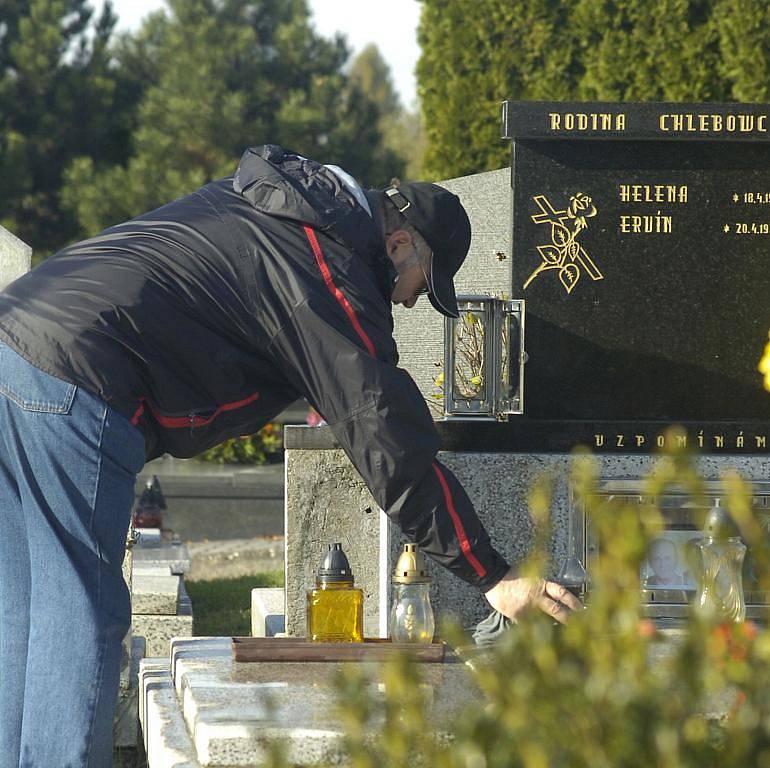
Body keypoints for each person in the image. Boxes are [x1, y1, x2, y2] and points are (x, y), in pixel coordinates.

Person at [0, 144, 580, 766]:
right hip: (78, 378)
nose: (412, 300)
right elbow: (386, 438)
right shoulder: (325, 264)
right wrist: (492, 575)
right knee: (80, 610)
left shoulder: (292, 213)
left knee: (23, 604)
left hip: (15, 345)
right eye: (424, 283)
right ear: (401, 245)